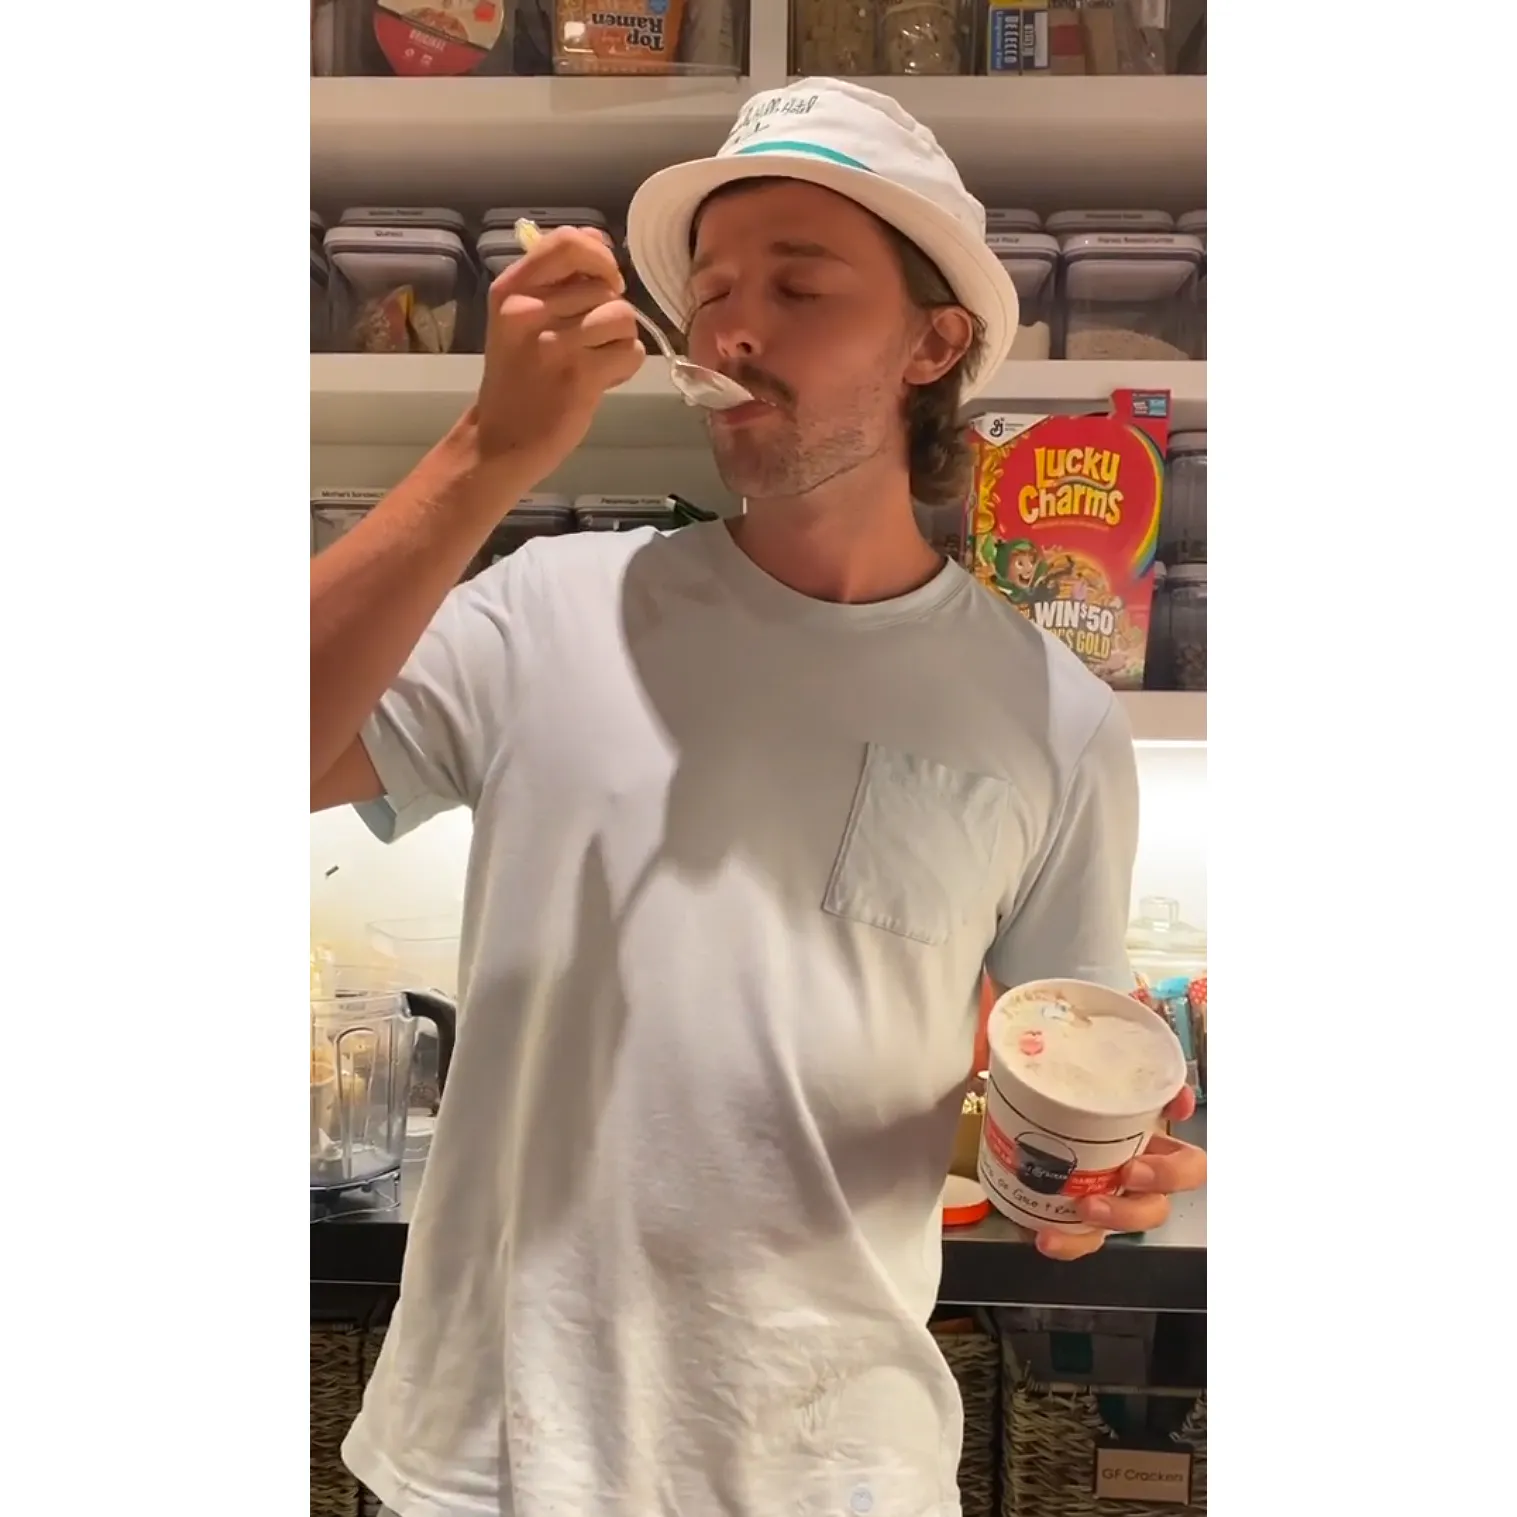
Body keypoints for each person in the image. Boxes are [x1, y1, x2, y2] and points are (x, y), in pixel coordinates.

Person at [311, 77, 1206, 1517]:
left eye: (799, 287)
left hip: (836, 1471)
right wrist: (488, 451)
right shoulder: (546, 611)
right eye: (712, 291)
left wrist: (1101, 1180)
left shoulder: (1055, 717)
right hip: (494, 1458)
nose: (731, 329)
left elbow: (1068, 1081)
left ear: (935, 342)